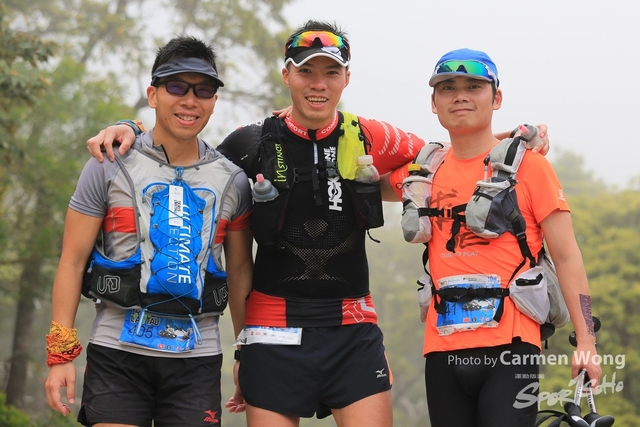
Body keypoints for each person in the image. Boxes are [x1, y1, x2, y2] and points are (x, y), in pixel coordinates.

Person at [85, 22, 550, 427]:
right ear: (287, 74)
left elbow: (449, 157)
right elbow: (185, 158)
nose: (318, 84)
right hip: (271, 331)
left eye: (331, 72)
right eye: (306, 71)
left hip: (353, 329)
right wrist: (131, 128)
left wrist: (508, 140)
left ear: (347, 78)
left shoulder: (371, 135)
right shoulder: (251, 142)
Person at [44, 35, 253, 427]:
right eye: (177, 87)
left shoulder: (233, 181)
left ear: (214, 101)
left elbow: (241, 271)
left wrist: (246, 354)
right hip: (116, 354)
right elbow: (72, 260)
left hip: (198, 360)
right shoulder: (108, 164)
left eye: (203, 90)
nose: (190, 100)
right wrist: (60, 355)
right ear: (153, 95)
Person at [388, 48, 601, 427]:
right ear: (434, 103)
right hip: (441, 349)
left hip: (511, 349)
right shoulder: (422, 174)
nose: (460, 96)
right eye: (447, 88)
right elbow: (360, 181)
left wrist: (587, 342)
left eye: (473, 86)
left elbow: (567, 256)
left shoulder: (530, 167)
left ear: (496, 98)